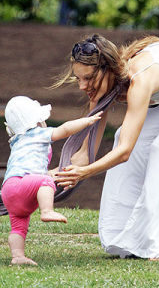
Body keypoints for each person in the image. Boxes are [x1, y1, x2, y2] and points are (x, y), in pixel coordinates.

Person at [54, 34, 159, 261]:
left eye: (88, 78)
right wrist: (65, 170)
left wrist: (85, 173)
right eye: (78, 79)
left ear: (108, 69)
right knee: (119, 136)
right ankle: (124, 239)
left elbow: (125, 153)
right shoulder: (100, 87)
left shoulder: (140, 78)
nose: (83, 86)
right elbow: (88, 148)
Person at [1, 96, 102, 265]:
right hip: (20, 184)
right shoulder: (37, 133)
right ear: (37, 122)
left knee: (18, 227)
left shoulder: (17, 141)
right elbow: (65, 129)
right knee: (45, 182)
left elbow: (28, 165)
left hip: (9, 191)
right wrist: (86, 121)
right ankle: (47, 210)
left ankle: (17, 256)